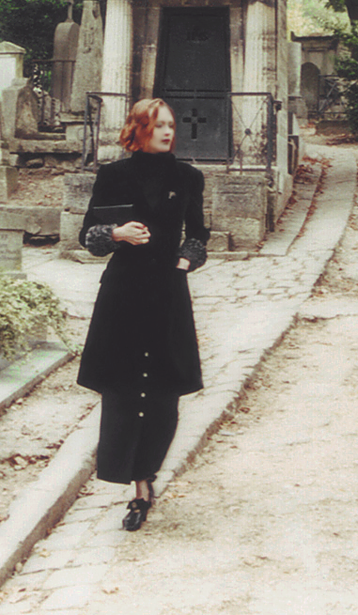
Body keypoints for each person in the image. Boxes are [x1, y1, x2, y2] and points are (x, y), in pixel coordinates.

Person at [78, 97, 209, 531]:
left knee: (163, 393)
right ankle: (134, 486)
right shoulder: (113, 176)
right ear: (138, 129)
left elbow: (199, 235)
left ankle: (146, 476)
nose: (169, 132)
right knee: (122, 388)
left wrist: (185, 261)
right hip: (123, 294)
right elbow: (88, 236)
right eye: (159, 125)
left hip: (167, 293)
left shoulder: (188, 177)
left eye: (171, 124)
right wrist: (116, 233)